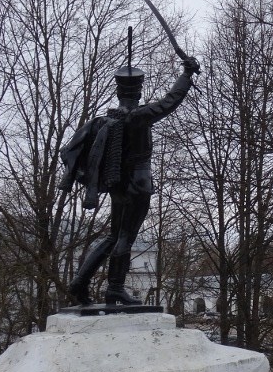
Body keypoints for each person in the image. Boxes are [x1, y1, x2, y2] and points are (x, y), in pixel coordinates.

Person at [63, 55, 199, 307]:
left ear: (118, 92)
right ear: (138, 92)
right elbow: (169, 102)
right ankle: (114, 288)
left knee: (113, 236)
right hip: (138, 184)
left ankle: (80, 283)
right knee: (125, 236)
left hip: (118, 184)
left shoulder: (106, 120)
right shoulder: (137, 116)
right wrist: (186, 76)